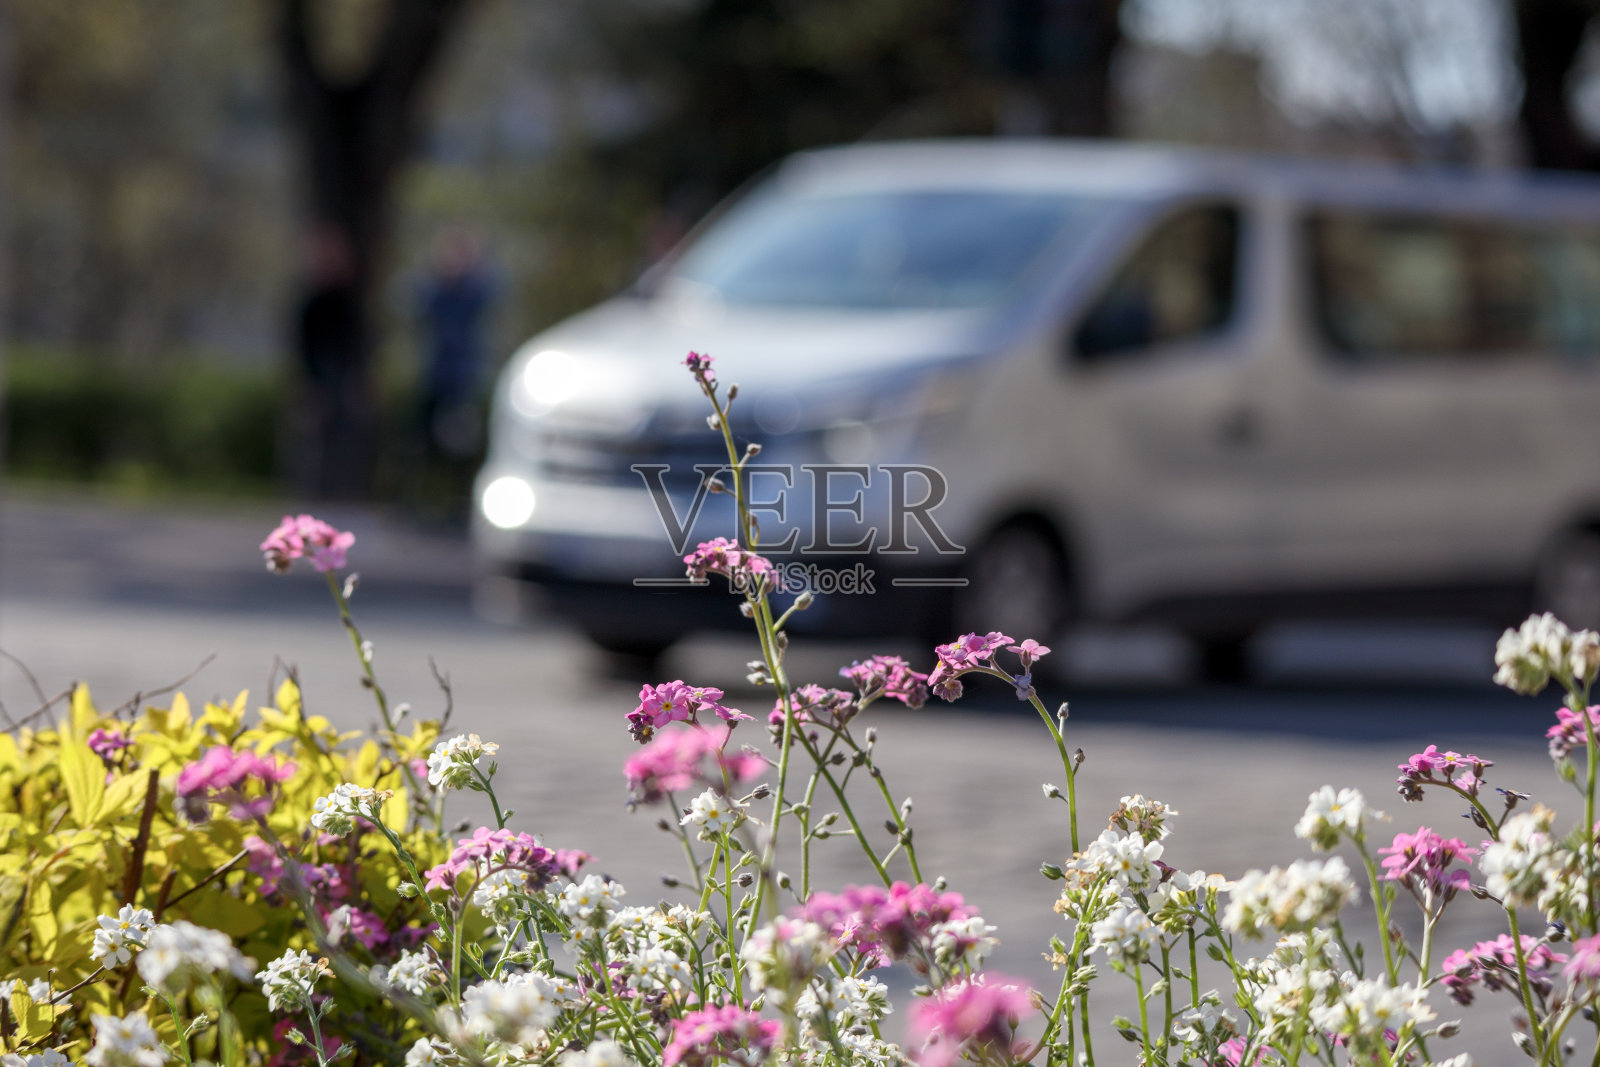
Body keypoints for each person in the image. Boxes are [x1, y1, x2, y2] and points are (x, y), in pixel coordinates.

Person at [415, 226, 495, 460]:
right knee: (426, 439)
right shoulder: (434, 289)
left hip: (464, 377)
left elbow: (489, 295)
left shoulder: (476, 289)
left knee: (462, 440)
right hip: (435, 374)